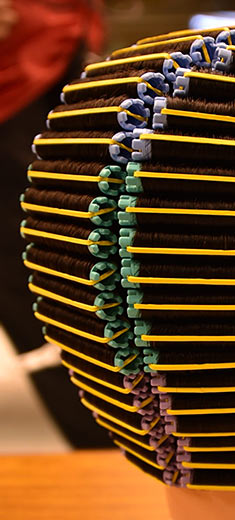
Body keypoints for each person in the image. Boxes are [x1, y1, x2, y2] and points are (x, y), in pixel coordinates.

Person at [0, 0, 111, 447]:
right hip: (18, 72)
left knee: (66, 261)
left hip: (51, 54)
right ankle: (105, 434)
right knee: (40, 272)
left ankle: (109, 434)